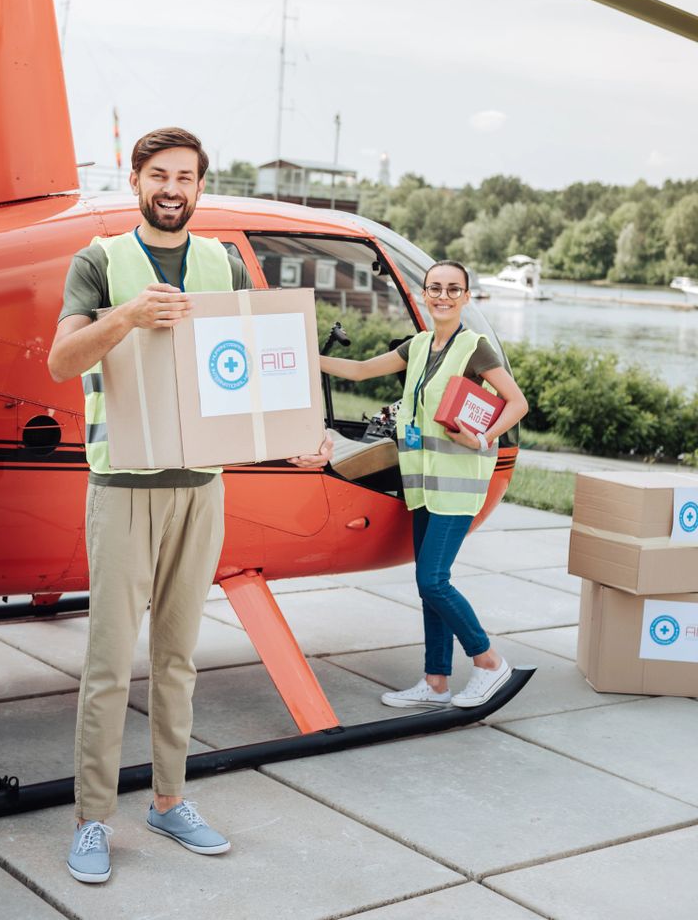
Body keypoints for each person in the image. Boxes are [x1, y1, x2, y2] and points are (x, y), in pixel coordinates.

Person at [49, 127, 331, 883]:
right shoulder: (99, 261)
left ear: (200, 186)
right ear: (136, 179)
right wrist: (127, 317)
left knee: (178, 660)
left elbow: (258, 365)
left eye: (186, 177)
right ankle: (92, 819)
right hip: (122, 488)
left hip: (200, 489)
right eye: (159, 175)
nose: (173, 188)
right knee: (109, 664)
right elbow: (61, 359)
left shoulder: (222, 262)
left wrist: (299, 435)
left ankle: (169, 799)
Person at [319, 259, 527, 711]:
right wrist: (304, 357)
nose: (443, 296)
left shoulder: (475, 347)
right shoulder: (418, 346)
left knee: (433, 581)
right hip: (422, 485)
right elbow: (357, 371)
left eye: (454, 289)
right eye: (435, 288)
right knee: (428, 582)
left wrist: (482, 436)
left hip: (457, 484)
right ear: (423, 294)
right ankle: (435, 682)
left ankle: (490, 662)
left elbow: (517, 402)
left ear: (466, 297)